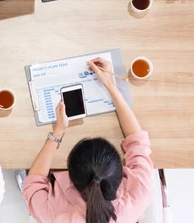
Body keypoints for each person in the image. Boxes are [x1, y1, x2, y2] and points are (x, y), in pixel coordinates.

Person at [23, 57, 153, 223]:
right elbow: (138, 142)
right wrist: (110, 84)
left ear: (69, 174)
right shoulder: (138, 194)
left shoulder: (55, 214)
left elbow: (33, 182)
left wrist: (58, 131)